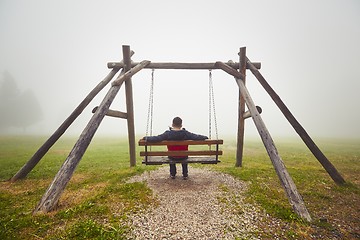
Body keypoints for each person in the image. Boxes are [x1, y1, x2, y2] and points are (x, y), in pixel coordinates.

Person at [143, 117, 208, 179]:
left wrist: (146, 138)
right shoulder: (185, 133)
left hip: (172, 156)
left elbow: (157, 138)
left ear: (172, 124)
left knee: (171, 155)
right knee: (184, 155)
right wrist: (205, 137)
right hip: (183, 156)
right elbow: (196, 137)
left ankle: (173, 174)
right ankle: (185, 174)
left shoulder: (168, 134)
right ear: (181, 125)